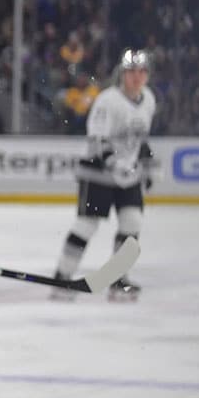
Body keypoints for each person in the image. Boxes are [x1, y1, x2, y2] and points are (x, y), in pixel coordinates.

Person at [52, 49, 157, 302]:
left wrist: (147, 164)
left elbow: (139, 140)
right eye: (131, 72)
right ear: (122, 74)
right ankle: (62, 277)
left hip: (128, 175)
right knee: (87, 225)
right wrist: (113, 163)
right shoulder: (108, 101)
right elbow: (98, 139)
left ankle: (118, 278)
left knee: (132, 224)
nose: (136, 77)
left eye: (141, 72)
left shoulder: (149, 100)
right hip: (98, 173)